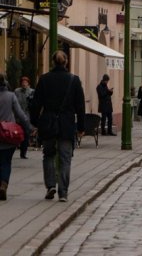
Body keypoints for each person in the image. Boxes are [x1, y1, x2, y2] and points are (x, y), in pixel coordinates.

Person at [29, 51, 85, 202]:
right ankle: (63, 192)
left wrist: (35, 122)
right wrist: (81, 127)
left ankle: (50, 185)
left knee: (48, 155)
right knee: (65, 158)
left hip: (48, 123)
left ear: (53, 62)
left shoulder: (44, 79)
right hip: (66, 124)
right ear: (66, 62)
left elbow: (36, 104)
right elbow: (80, 106)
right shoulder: (74, 80)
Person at [0, 71, 35, 200]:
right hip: (8, 134)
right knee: (6, 162)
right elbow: (20, 114)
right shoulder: (11, 96)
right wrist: (30, 127)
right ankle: (3, 184)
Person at [14, 76, 34, 158]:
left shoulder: (31, 91)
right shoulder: (16, 91)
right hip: (18, 116)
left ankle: (23, 152)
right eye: (22, 82)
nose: (24, 84)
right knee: (16, 134)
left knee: (26, 135)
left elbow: (33, 104)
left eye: (25, 82)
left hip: (26, 116)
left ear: (28, 83)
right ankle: (15, 148)